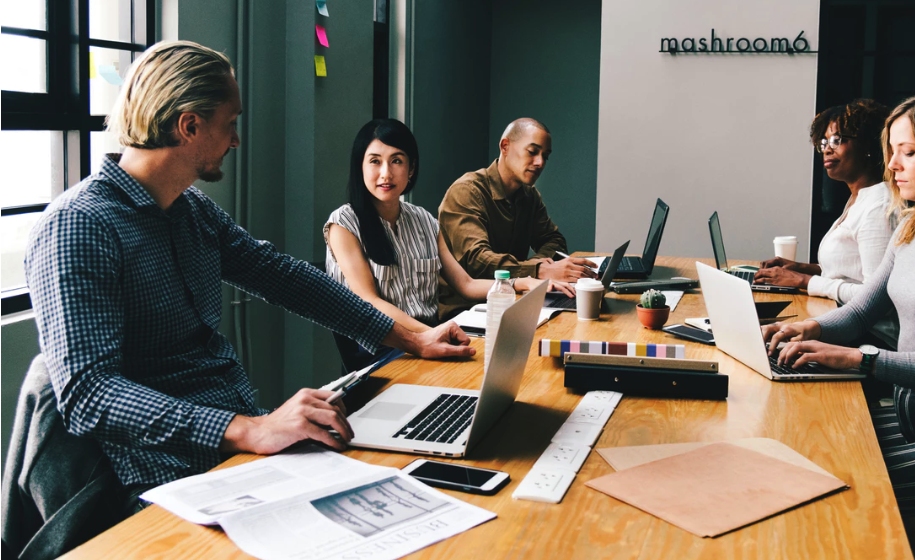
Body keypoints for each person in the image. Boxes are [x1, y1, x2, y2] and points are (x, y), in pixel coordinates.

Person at [23, 41, 473, 512]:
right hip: (160, 482)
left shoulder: (191, 209)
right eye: (230, 123)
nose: (236, 139)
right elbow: (89, 396)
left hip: (237, 457)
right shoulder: (78, 226)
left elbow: (283, 277)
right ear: (190, 125)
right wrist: (252, 429)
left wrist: (412, 339)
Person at [763, 87, 915, 514]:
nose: (891, 165)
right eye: (892, 151)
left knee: (831, 493)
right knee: (795, 454)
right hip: (911, 419)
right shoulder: (913, 224)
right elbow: (861, 310)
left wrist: (857, 359)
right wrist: (803, 328)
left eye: (908, 153)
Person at [324, 119, 573, 335]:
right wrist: (430, 334)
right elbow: (370, 302)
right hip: (384, 348)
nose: (386, 173)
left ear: (411, 169)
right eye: (375, 161)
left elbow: (465, 283)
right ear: (361, 167)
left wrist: (523, 282)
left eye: (397, 161)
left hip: (431, 338)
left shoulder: (423, 220)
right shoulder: (344, 223)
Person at [755, 99, 898, 349]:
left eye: (837, 140)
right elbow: (851, 271)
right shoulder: (858, 198)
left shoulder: (878, 206)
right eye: (824, 142)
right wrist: (803, 268)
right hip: (845, 321)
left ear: (867, 145)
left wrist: (803, 280)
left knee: (765, 342)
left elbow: (876, 299)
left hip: (871, 338)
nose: (827, 149)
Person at [438, 118, 597, 282]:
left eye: (545, 156)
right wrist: (536, 270)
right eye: (532, 151)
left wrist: (537, 264)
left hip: (515, 295)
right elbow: (477, 261)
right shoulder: (466, 191)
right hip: (469, 304)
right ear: (505, 146)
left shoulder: (529, 196)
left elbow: (554, 240)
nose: (540, 162)